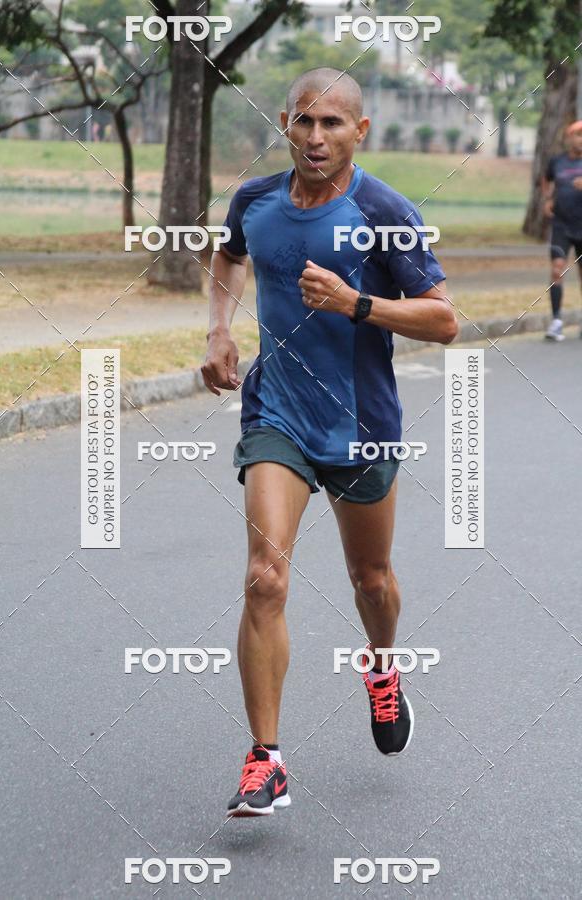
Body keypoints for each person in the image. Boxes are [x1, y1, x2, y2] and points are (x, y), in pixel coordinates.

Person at [201, 67, 458, 818]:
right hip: (276, 415)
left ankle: (381, 667)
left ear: (360, 132)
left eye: (333, 125)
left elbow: (444, 319)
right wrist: (218, 331)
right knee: (264, 578)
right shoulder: (256, 200)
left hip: (362, 427)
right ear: (285, 122)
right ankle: (267, 759)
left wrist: (358, 304)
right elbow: (227, 256)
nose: (317, 138)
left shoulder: (384, 209)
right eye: (305, 122)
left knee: (371, 580)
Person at [542, 121, 582, 341]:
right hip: (561, 225)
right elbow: (546, 180)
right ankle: (556, 321)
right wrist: (547, 199)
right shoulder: (557, 161)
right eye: (578, 135)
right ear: (569, 138)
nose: (581, 140)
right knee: (557, 269)